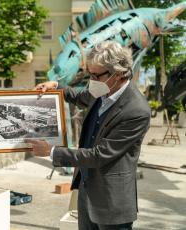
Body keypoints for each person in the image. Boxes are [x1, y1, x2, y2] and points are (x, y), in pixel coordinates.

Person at [25, 41, 151, 230]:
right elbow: (79, 95)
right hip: (87, 191)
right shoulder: (103, 89)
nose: (91, 80)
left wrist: (52, 152)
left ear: (117, 74)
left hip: (111, 202)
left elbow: (99, 155)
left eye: (95, 75)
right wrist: (56, 86)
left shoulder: (136, 110)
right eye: (89, 74)